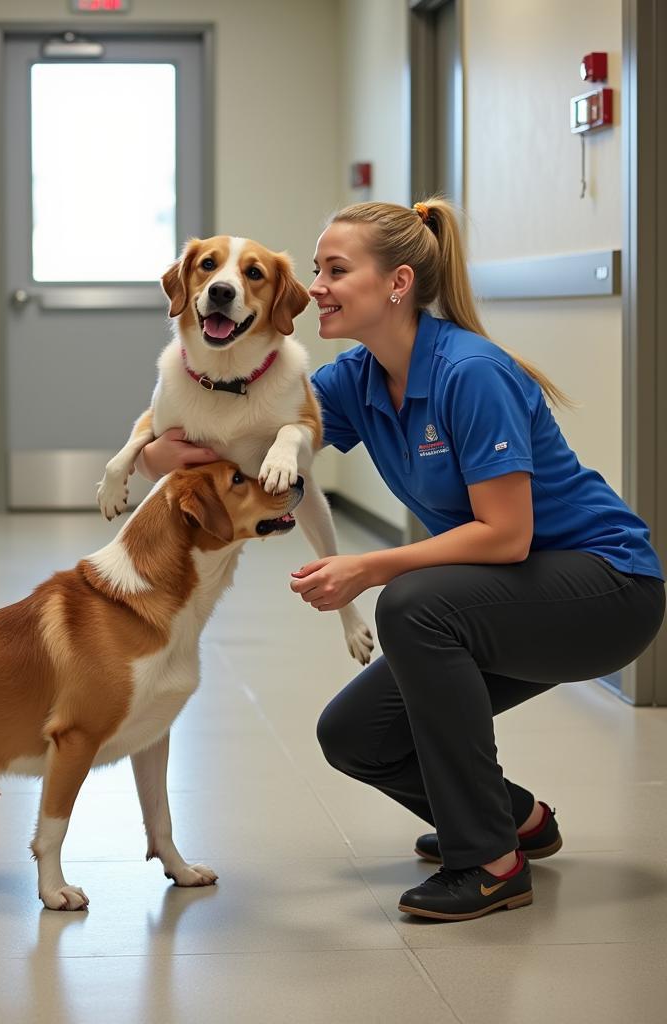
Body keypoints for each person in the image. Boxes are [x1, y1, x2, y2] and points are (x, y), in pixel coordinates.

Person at [138, 196, 665, 922]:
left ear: (397, 284)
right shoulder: (356, 378)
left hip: (607, 589)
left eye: (334, 270)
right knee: (356, 736)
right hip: (513, 595)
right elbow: (246, 442)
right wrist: (154, 447)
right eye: (317, 269)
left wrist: (368, 567)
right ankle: (516, 820)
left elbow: (506, 536)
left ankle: (488, 861)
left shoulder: (470, 373)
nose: (313, 287)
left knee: (415, 606)